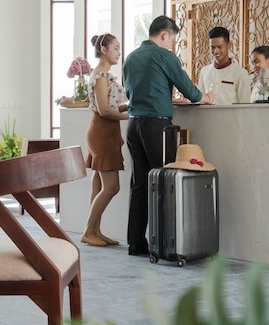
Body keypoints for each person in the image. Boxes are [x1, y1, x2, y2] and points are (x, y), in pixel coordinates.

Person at [123, 16, 214, 256]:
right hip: (156, 125)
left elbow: (130, 91)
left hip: (134, 125)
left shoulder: (131, 58)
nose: (172, 44)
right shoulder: (164, 56)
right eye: (172, 40)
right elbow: (188, 89)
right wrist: (203, 97)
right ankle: (165, 243)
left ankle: (136, 242)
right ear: (165, 35)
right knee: (165, 182)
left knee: (140, 184)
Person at [82, 33, 129, 247]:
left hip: (104, 131)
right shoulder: (100, 76)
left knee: (98, 184)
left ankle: (95, 231)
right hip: (102, 133)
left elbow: (110, 106)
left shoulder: (104, 76)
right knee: (111, 187)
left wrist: (127, 107)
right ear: (104, 50)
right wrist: (129, 116)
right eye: (115, 48)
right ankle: (88, 231)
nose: (119, 52)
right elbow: (104, 110)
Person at [198, 26, 252, 105]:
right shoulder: (204, 71)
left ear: (229, 46)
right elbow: (200, 101)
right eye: (212, 47)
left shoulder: (240, 73)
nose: (216, 51)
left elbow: (244, 106)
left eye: (219, 47)